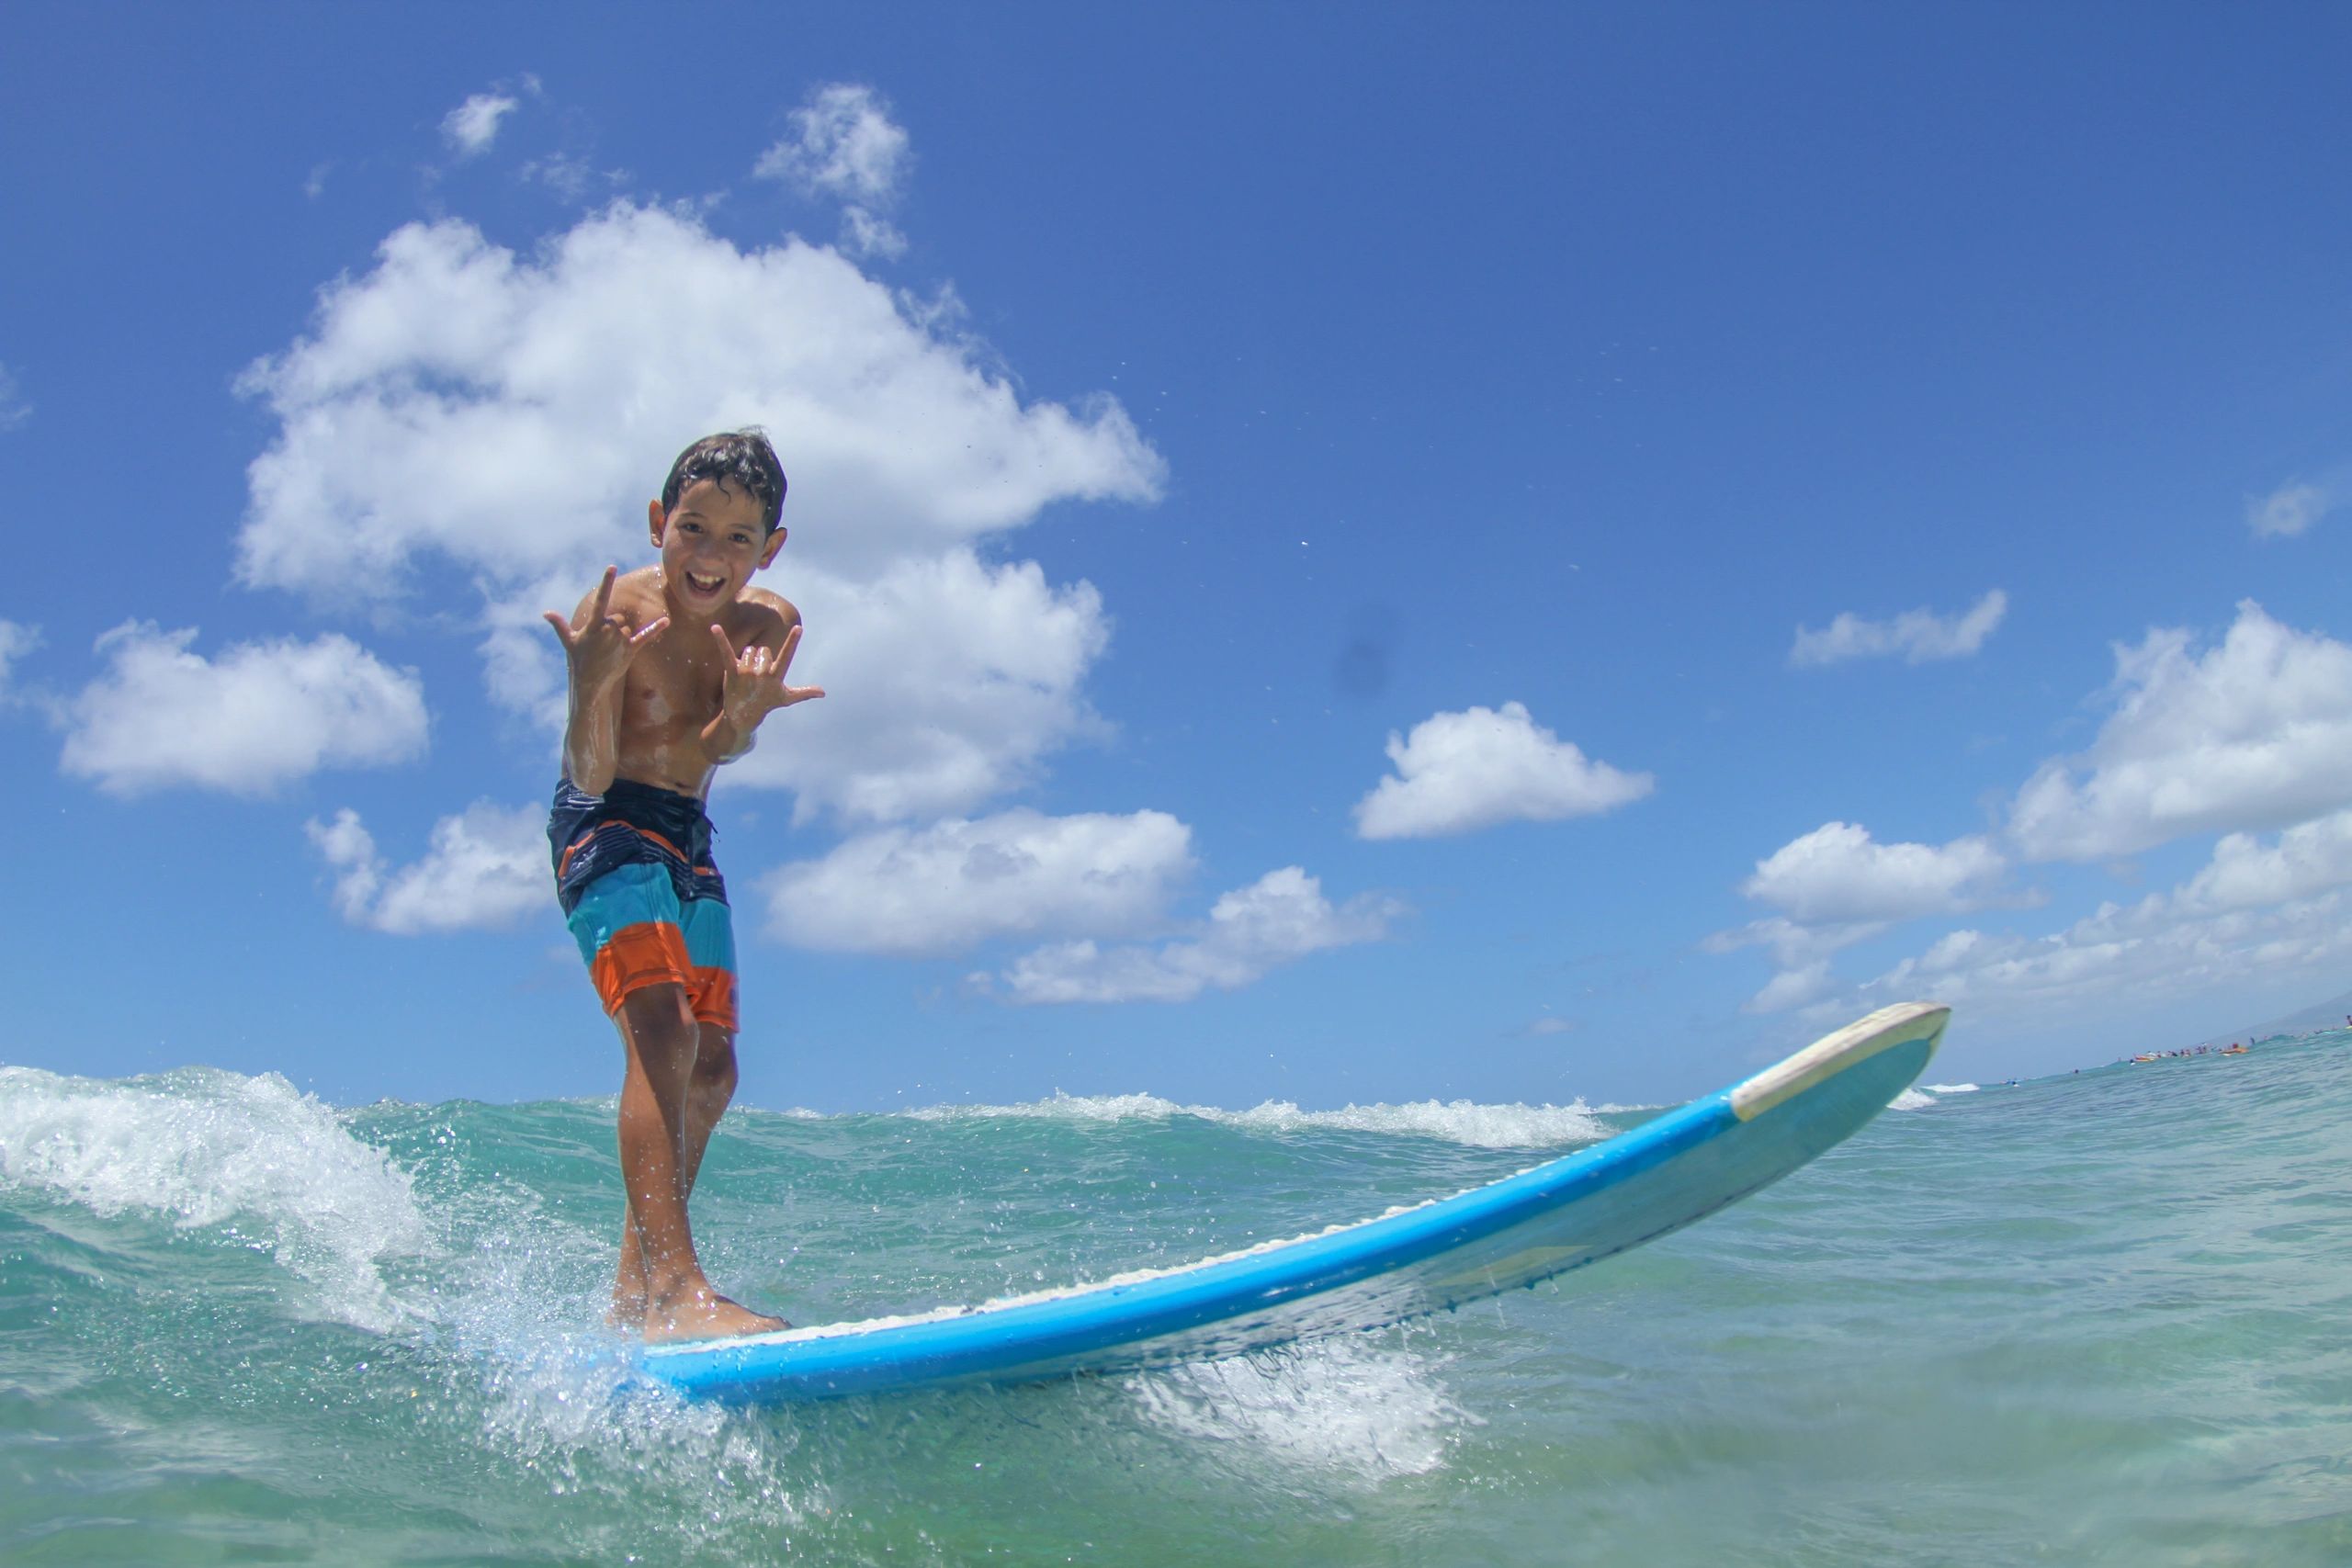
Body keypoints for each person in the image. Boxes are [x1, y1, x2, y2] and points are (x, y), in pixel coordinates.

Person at [542, 430, 823, 1342]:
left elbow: (712, 753)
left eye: (739, 540)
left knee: (713, 1065)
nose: (712, 557)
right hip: (602, 821)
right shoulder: (614, 615)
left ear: (769, 549)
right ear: (660, 521)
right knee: (660, 1027)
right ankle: (675, 1286)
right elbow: (587, 771)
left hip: (687, 835)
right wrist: (590, 684)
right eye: (693, 529)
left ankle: (637, 1293)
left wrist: (740, 726)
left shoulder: (765, 627)